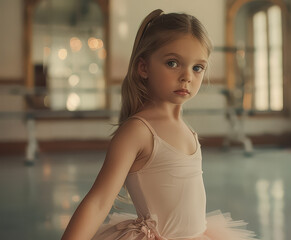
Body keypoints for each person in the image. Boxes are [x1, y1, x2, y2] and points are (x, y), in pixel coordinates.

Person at [62, 9, 258, 240]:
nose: (187, 76)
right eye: (173, 63)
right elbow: (98, 201)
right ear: (143, 67)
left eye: (197, 67)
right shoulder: (138, 131)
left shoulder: (186, 129)